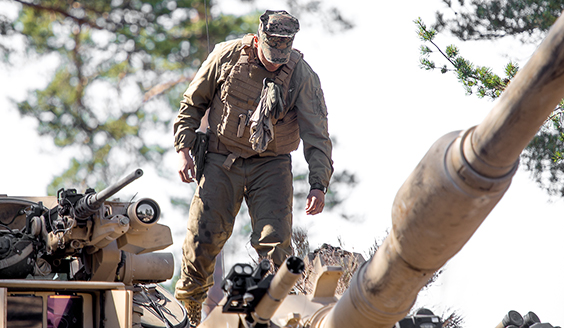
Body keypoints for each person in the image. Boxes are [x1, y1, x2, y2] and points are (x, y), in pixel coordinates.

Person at [172, 9, 333, 327]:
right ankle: (190, 313)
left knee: (275, 244)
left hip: (271, 166)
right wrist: (183, 149)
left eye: (281, 55)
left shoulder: (301, 75)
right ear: (258, 40)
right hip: (221, 159)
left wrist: (318, 184)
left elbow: (318, 132)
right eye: (271, 53)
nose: (276, 61)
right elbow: (193, 103)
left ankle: (269, 315)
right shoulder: (227, 56)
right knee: (202, 240)